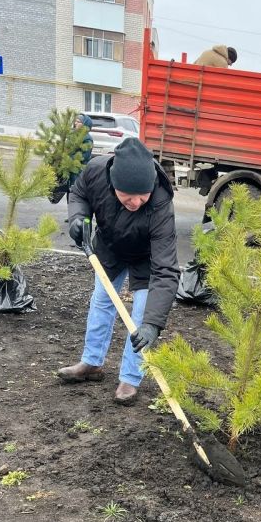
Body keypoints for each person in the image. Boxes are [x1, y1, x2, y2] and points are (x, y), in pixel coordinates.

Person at [58, 137, 180, 406]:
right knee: (102, 301)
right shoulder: (96, 171)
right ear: (113, 183)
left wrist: (152, 324)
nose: (136, 201)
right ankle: (92, 363)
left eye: (142, 195)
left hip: (147, 257)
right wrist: (78, 218)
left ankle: (130, 378)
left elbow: (167, 268)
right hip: (111, 247)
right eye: (127, 195)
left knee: (140, 318)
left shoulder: (160, 203)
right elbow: (78, 193)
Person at [66, 114, 93, 206]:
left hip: (79, 170)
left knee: (77, 192)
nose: (75, 123)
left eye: (78, 122)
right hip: (70, 169)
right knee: (69, 191)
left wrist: (70, 159)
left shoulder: (87, 138)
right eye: (75, 121)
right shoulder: (72, 135)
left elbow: (84, 156)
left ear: (85, 124)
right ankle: (71, 213)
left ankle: (78, 213)